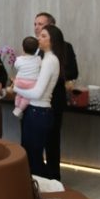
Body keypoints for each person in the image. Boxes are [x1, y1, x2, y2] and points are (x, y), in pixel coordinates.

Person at [8, 25, 66, 178]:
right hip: (38, 111)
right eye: (40, 35)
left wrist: (16, 89)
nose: (39, 38)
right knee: (32, 156)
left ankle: (44, 188)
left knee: (33, 159)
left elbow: (37, 93)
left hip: (39, 112)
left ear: (53, 40)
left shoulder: (49, 60)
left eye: (44, 36)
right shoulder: (44, 59)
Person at [34, 12, 79, 180]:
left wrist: (52, 74)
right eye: (35, 24)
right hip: (36, 101)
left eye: (41, 24)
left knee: (52, 141)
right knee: (35, 142)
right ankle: (39, 176)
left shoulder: (65, 47)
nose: (37, 28)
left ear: (52, 27)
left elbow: (73, 72)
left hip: (54, 100)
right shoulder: (34, 47)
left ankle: (54, 178)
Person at [12, 36, 41, 118]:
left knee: (19, 95)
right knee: (27, 98)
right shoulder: (39, 59)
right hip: (32, 83)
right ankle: (20, 109)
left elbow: (16, 66)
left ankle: (17, 105)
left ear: (23, 48)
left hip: (19, 82)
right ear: (37, 49)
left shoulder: (19, 59)